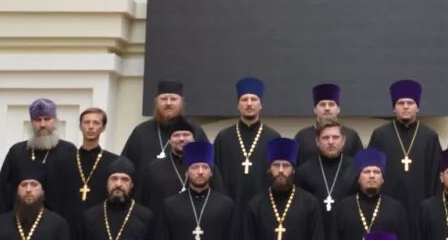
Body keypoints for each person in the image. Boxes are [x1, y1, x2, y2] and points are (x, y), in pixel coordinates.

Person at [371, 78, 442, 204]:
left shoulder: (430, 137)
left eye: (410, 103)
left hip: (421, 204)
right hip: (386, 205)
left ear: (417, 108)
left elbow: (436, 177)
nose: (405, 107)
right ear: (394, 108)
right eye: (400, 103)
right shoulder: (380, 135)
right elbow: (371, 172)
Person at [216, 77, 282, 206]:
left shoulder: (273, 138)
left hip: (265, 207)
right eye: (244, 99)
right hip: (230, 206)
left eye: (254, 99)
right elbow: (216, 177)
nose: (249, 104)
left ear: (261, 104)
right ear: (238, 105)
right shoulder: (223, 138)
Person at [0, 97, 64, 208]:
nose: (42, 125)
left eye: (47, 119)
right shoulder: (17, 152)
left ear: (55, 121)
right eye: (38, 120)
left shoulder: (68, 151)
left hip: (57, 221)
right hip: (21, 219)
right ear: (31, 123)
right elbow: (3, 192)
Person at [122, 79, 207, 164]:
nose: (168, 103)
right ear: (156, 102)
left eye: (173, 99)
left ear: (181, 102)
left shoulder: (195, 132)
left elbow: (208, 169)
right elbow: (125, 168)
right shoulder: (140, 132)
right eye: (164, 99)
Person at [294, 83, 364, 166]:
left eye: (331, 104)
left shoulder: (351, 135)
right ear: (315, 109)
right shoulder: (302, 136)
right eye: (322, 104)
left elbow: (361, 167)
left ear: (338, 109)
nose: (327, 108)